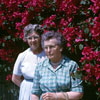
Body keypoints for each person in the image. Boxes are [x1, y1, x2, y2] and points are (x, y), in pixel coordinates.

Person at [31, 31, 83, 100]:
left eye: (52, 47)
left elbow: (78, 93)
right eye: (46, 48)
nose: (48, 50)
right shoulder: (40, 67)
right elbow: (35, 93)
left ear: (61, 48)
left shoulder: (71, 66)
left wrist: (56, 96)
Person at [12, 24, 46, 100]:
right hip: (27, 92)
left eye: (36, 37)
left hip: (45, 91)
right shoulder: (22, 56)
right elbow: (15, 78)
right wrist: (26, 87)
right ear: (26, 39)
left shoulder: (48, 54)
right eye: (30, 38)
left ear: (41, 38)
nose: (33, 40)